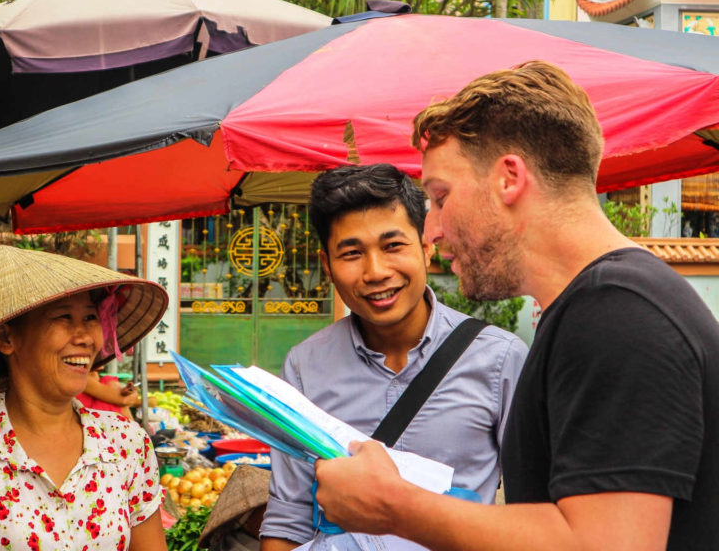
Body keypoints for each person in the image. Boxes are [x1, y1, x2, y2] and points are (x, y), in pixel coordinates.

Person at [314, 60, 719, 550]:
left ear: (509, 178)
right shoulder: (601, 305)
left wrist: (394, 507)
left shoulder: (617, 313)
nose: (432, 230)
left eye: (440, 197)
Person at [260, 164, 528, 551]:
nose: (376, 271)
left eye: (393, 246)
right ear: (327, 267)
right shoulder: (304, 367)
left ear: (426, 247)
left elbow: (533, 510)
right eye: (352, 253)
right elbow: (290, 518)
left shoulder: (500, 359)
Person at [0, 245, 170, 550]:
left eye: (91, 317)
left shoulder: (126, 443)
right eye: (64, 317)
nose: (84, 337)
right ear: (6, 338)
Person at [76, 365, 142, 418]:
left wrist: (126, 392)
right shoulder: (81, 377)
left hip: (96, 419)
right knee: (108, 380)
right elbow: (123, 400)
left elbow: (124, 400)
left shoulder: (95, 376)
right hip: (89, 420)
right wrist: (130, 395)